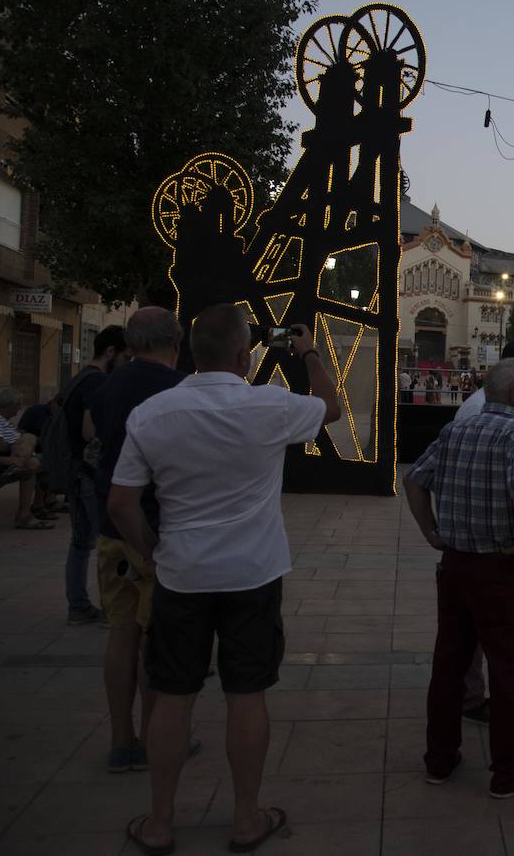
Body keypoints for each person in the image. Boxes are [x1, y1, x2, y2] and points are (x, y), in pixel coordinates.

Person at [108, 305, 338, 853]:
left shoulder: (154, 413)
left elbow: (121, 502)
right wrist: (305, 350)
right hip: (252, 574)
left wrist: (152, 550)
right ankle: (245, 818)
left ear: (191, 351)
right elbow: (330, 405)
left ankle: (160, 822)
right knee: (246, 693)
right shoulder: (267, 404)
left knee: (172, 696)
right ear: (244, 354)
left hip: (182, 574)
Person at [407, 358, 514, 799]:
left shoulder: (455, 430)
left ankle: (440, 760)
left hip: (455, 566)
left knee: (448, 665)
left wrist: (430, 530)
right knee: (508, 671)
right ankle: (508, 773)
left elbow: (415, 479)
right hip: (500, 570)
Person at [86, 308, 188, 773]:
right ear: (176, 340)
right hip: (153, 529)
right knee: (154, 639)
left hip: (110, 529)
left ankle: (121, 740)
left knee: (121, 632)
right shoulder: (175, 391)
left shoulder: (108, 385)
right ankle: (154, 740)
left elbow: (96, 439)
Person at [450, 340, 514, 725]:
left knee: (466, 637)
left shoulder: (482, 413)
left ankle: (471, 700)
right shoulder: (503, 422)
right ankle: (486, 706)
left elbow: (418, 479)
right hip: (495, 551)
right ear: (513, 384)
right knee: (502, 643)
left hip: (467, 548)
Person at [61, 325, 129, 625]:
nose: (127, 363)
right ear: (111, 352)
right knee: (106, 543)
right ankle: (107, 607)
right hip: (89, 474)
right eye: (125, 357)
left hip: (75, 470)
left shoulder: (79, 378)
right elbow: (90, 431)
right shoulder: (98, 382)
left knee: (81, 542)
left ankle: (78, 606)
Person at [0, 388, 50, 530]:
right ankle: (27, 513)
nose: (20, 407)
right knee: (33, 451)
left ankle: (29, 512)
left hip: (14, 458)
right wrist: (18, 442)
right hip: (0, 462)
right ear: (10, 405)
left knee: (36, 458)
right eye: (18, 404)